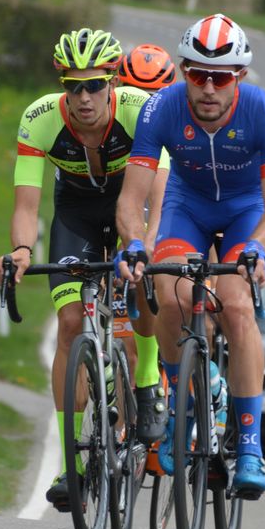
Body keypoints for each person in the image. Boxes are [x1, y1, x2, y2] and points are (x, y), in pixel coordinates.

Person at [117, 14, 265, 499]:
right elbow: (132, 200)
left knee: (236, 307)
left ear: (240, 76)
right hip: (186, 207)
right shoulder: (162, 109)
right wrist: (135, 241)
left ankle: (251, 446)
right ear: (183, 71)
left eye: (222, 77)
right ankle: (181, 402)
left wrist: (259, 245)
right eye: (198, 75)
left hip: (245, 212)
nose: (209, 88)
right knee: (170, 297)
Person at [0, 28, 154, 511]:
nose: (84, 97)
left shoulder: (140, 111)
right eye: (73, 86)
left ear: (112, 82)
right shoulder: (40, 119)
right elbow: (26, 201)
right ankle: (72, 463)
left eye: (95, 85)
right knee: (69, 323)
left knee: (145, 293)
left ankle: (146, 380)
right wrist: (22, 249)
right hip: (76, 214)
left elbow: (160, 193)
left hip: (133, 203)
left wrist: (144, 244)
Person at [113, 43, 177, 432]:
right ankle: (121, 426)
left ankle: (210, 392)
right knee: (126, 346)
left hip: (172, 220)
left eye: (154, 96)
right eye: (135, 92)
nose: (145, 105)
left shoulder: (180, 125)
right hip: (126, 222)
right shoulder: (113, 122)